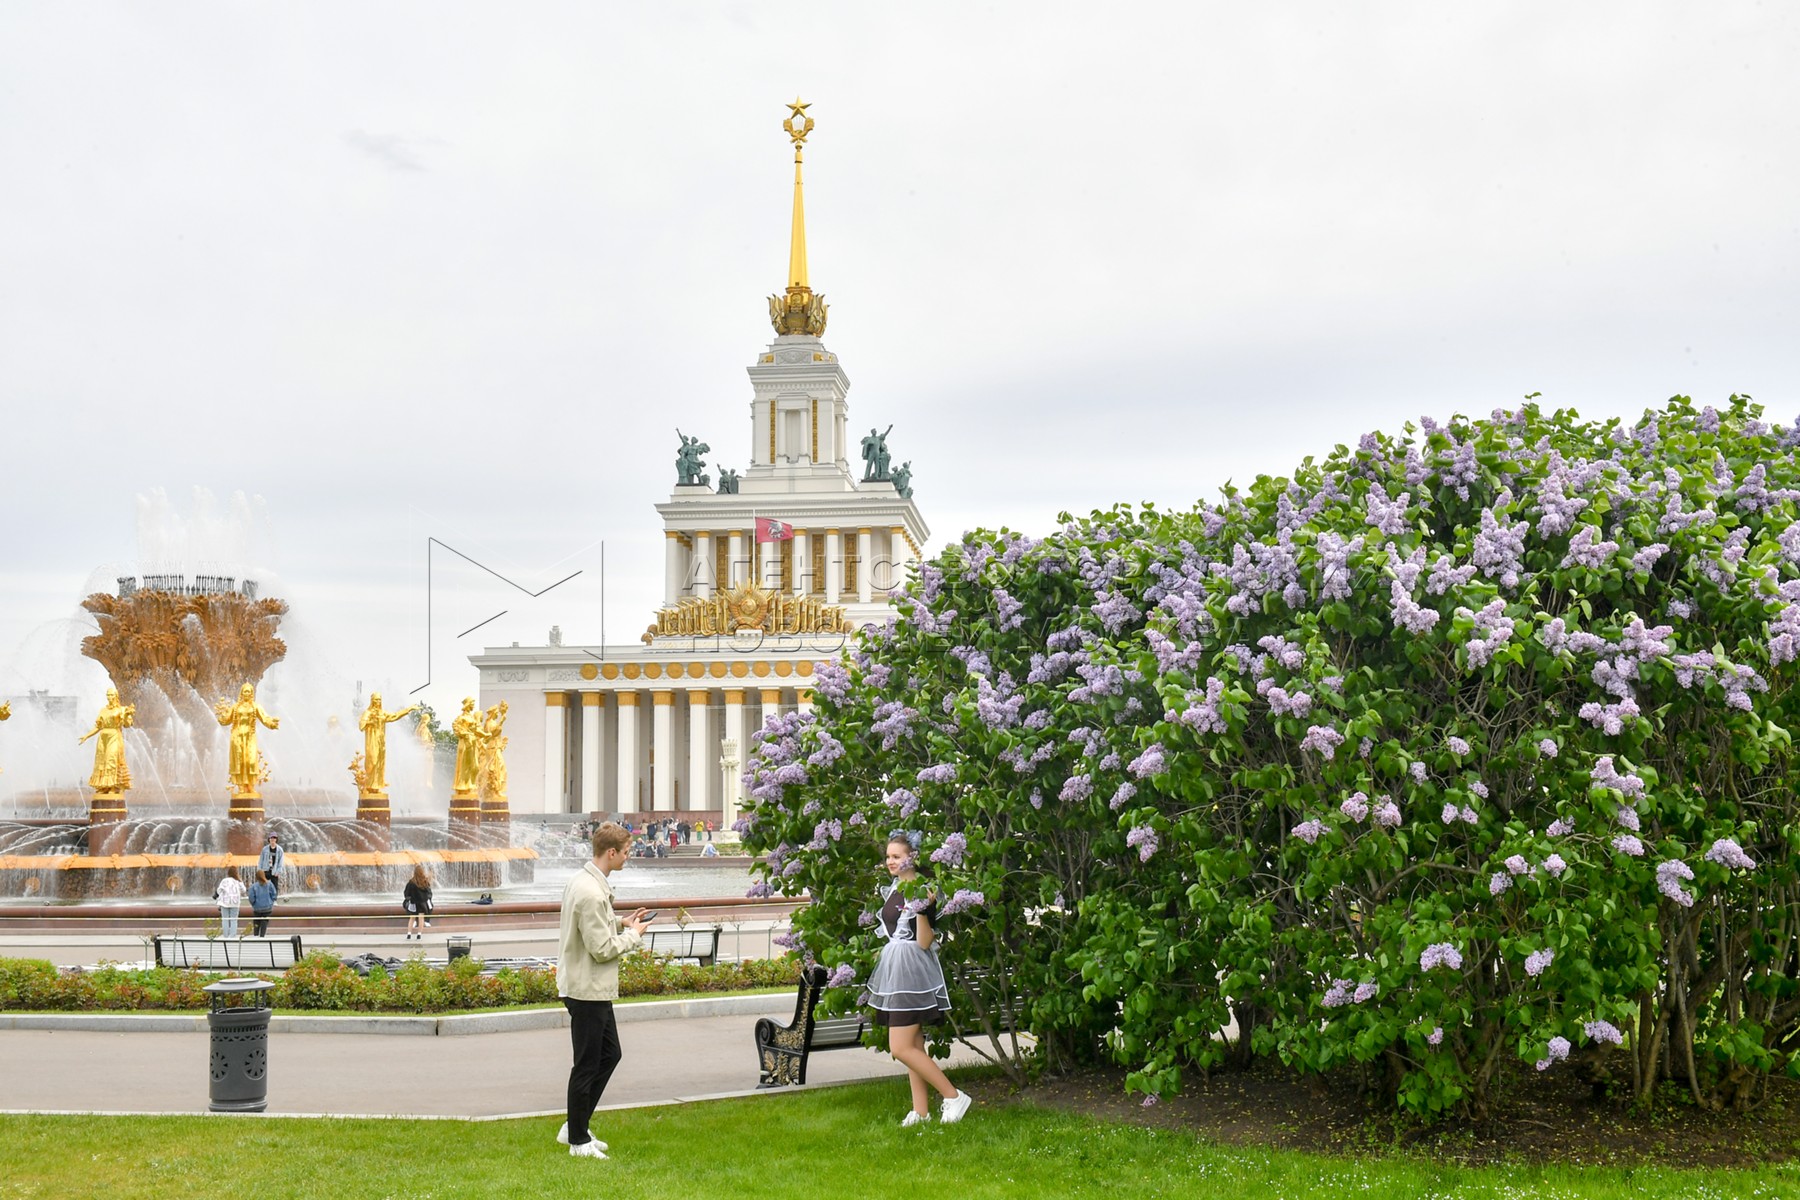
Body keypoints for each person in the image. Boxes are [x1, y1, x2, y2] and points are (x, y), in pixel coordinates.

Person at [556, 821, 650, 1160]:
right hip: (587, 989)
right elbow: (601, 949)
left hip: (589, 987)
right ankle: (577, 1140)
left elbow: (591, 928)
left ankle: (575, 1124)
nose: (628, 858)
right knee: (587, 1064)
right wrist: (634, 935)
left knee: (610, 1055)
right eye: (626, 852)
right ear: (611, 852)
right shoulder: (593, 893)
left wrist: (620, 922)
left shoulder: (582, 882)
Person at [865, 831, 972, 1126]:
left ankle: (953, 1096)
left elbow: (924, 941)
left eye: (896, 856)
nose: (890, 861)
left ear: (911, 858)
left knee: (900, 1047)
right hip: (895, 969)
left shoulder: (924, 890)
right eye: (888, 857)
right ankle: (921, 1110)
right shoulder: (895, 888)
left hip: (912, 971)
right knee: (912, 1044)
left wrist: (923, 911)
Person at [214, 866, 247, 938]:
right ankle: (232, 936)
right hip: (235, 903)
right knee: (234, 920)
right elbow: (244, 890)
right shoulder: (238, 881)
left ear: (228, 873)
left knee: (225, 919)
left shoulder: (224, 880)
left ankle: (225, 936)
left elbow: (219, 890)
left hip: (224, 902)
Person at [403, 866, 433, 940]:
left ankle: (409, 934)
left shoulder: (411, 882)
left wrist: (409, 899)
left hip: (413, 903)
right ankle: (419, 934)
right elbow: (428, 892)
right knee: (421, 919)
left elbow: (406, 893)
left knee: (412, 918)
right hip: (422, 904)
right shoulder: (425, 881)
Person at [247, 870, 276, 936]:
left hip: (257, 908)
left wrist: (254, 904)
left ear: (256, 877)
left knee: (256, 922)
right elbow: (274, 895)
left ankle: (256, 935)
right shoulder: (270, 884)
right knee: (264, 922)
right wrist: (271, 902)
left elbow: (251, 897)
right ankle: (262, 936)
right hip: (268, 908)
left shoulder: (253, 886)